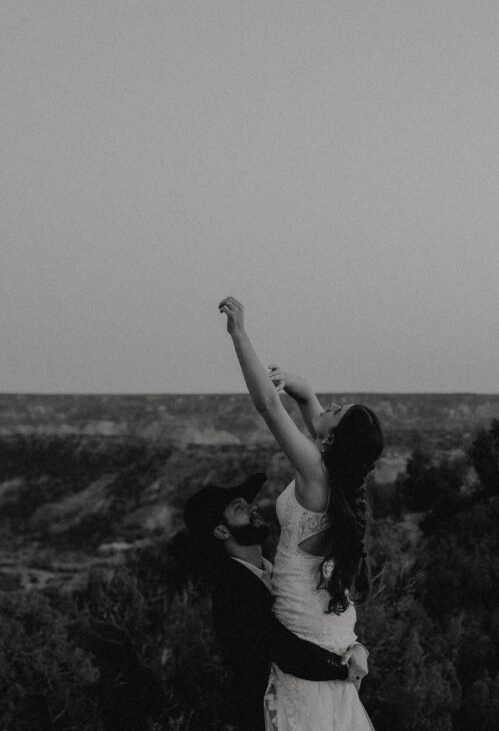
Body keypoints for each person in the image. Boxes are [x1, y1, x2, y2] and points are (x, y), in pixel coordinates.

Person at [218, 295, 384, 731]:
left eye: (335, 412)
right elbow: (308, 397)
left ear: (335, 440)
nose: (324, 408)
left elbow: (268, 406)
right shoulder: (337, 475)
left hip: (303, 627)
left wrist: (239, 333)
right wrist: (293, 380)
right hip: (319, 617)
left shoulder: (316, 474)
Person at [182, 472, 369, 731]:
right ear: (221, 530)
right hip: (276, 717)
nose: (253, 507)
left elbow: (317, 624)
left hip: (315, 705)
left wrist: (357, 649)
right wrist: (343, 669)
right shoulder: (232, 591)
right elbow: (283, 649)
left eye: (248, 503)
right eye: (240, 508)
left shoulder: (277, 572)